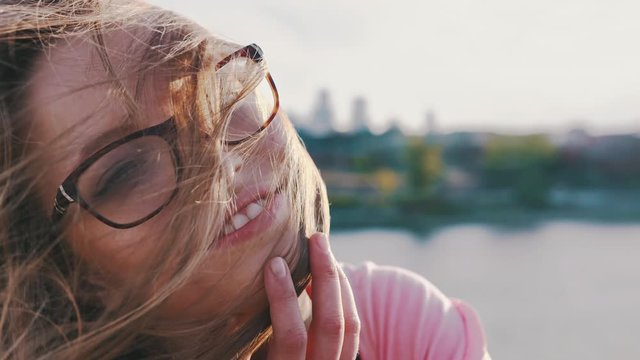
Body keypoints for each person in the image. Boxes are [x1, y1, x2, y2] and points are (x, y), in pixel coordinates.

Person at [0, 0, 490, 358]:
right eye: (126, 169)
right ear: (68, 276)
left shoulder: (399, 324)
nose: (219, 161)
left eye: (218, 89)